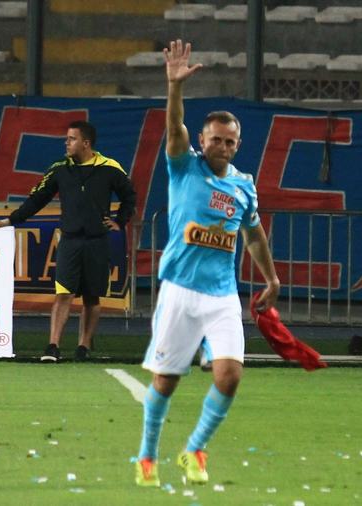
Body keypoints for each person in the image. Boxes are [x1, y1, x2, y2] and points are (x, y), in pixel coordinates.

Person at [134, 39, 280, 487]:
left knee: (230, 375)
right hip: (180, 290)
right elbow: (173, 126)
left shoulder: (244, 186)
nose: (222, 146)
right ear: (202, 140)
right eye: (215, 139)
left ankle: (194, 449)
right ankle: (146, 456)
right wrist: (174, 87)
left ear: (238, 145)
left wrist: (271, 278)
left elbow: (253, 234)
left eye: (229, 141)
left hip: (221, 296)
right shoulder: (185, 167)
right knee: (166, 381)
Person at [0, 120, 136, 362]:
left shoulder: (109, 167)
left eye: (71, 139)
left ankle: (83, 347)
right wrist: (12, 219)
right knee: (63, 294)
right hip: (70, 241)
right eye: (67, 138)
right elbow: (37, 198)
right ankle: (53, 347)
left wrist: (120, 221)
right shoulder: (59, 169)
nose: (66, 143)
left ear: (86, 143)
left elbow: (129, 196)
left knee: (92, 297)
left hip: (97, 242)